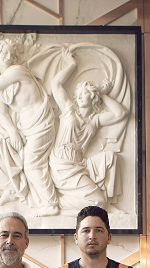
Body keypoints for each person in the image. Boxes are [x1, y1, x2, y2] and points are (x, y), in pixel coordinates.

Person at [0, 41, 59, 216]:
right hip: (23, 130)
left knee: (32, 165)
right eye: (4, 54)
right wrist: (12, 131)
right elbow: (3, 114)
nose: (9, 58)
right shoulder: (2, 88)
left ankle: (51, 203)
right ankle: (11, 189)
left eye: (11, 54)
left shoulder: (17, 71)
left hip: (40, 125)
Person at [49, 53, 128, 211]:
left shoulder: (95, 120)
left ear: (93, 97)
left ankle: (108, 203)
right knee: (98, 201)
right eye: (78, 95)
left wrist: (103, 94)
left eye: (85, 93)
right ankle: (58, 203)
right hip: (62, 165)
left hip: (79, 164)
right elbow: (55, 85)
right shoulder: (68, 110)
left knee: (111, 158)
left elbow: (121, 113)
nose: (80, 97)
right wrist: (71, 65)